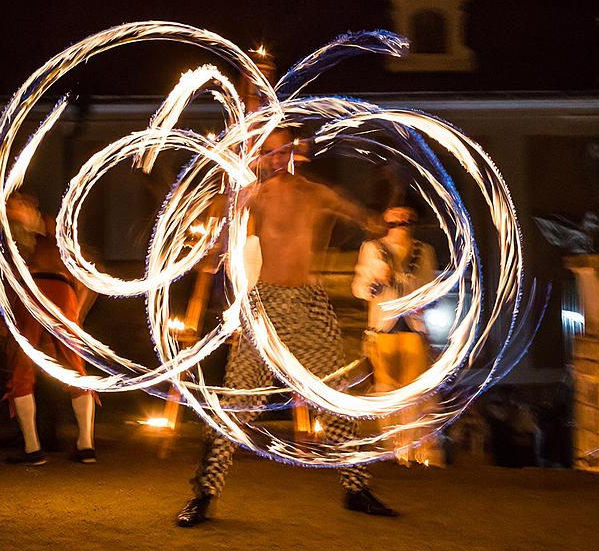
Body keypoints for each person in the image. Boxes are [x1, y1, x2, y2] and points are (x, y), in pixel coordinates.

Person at [176, 131, 397, 527]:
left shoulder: (318, 194)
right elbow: (216, 236)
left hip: (310, 306)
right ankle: (204, 495)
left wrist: (387, 190)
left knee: (332, 398)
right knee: (237, 405)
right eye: (268, 151)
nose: (277, 158)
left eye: (283, 150)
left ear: (296, 151)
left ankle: (357, 488)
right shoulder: (252, 196)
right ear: (260, 155)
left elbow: (368, 221)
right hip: (265, 306)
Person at [0, 193, 98, 466]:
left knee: (26, 367)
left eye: (13, 206)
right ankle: (83, 446)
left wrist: (77, 309)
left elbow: (87, 268)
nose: (9, 211)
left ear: (29, 205)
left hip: (39, 291)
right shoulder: (14, 237)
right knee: (70, 367)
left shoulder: (47, 226)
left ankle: (35, 450)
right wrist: (76, 309)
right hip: (53, 293)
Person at [352, 205, 443, 467]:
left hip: (413, 330)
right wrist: (376, 283)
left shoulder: (423, 251)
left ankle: (414, 450)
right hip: (383, 329)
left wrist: (417, 295)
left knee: (413, 393)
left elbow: (430, 289)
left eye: (406, 222)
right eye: (395, 222)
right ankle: (391, 449)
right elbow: (359, 288)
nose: (401, 227)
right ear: (386, 223)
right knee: (386, 390)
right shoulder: (372, 249)